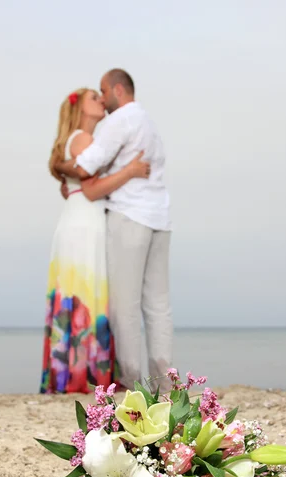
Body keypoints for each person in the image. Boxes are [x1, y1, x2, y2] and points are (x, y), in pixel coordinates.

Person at [57, 69, 173, 391]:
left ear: (118, 91)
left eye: (104, 91)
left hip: (130, 218)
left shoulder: (119, 120)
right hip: (160, 218)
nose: (103, 97)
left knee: (125, 305)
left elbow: (83, 166)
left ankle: (130, 382)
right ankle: (164, 385)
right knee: (158, 306)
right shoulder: (149, 123)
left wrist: (60, 167)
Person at [41, 87, 150, 393]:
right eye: (94, 97)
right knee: (90, 293)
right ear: (79, 109)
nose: (101, 101)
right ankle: (89, 377)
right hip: (85, 221)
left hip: (75, 218)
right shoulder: (84, 140)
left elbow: (79, 181)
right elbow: (93, 188)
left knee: (77, 293)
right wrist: (130, 171)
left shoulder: (73, 140)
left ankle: (71, 374)